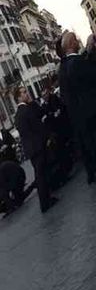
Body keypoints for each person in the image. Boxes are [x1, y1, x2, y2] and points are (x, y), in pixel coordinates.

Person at [57, 31, 96, 183]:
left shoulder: (62, 68)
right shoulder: (78, 62)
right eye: (76, 40)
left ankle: (91, 172)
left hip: (77, 117)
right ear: (72, 43)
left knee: (87, 145)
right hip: (91, 111)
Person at [14, 86, 58, 213]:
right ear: (18, 97)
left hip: (31, 149)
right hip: (37, 146)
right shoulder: (26, 110)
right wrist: (48, 136)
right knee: (41, 175)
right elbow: (38, 127)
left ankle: (46, 201)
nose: (26, 94)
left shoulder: (18, 114)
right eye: (23, 92)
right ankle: (45, 202)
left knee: (40, 175)